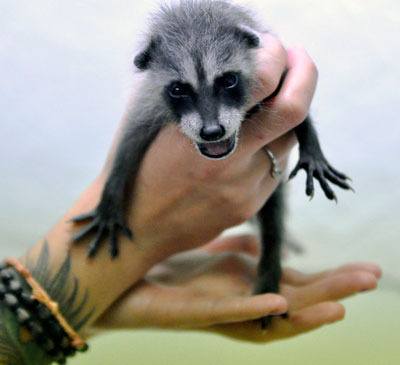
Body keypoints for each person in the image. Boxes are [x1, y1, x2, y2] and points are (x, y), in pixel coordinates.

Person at [0, 34, 381, 364]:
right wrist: (112, 207)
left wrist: (312, 154)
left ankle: (268, 276)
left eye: (228, 83)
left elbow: (291, 111)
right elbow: (131, 145)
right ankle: (267, 276)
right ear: (153, 72)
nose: (211, 123)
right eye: (181, 91)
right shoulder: (156, 95)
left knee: (272, 214)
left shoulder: (245, 66)